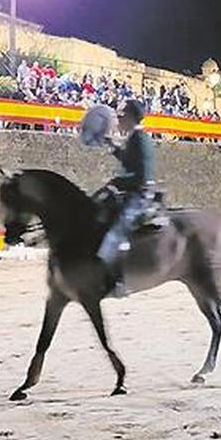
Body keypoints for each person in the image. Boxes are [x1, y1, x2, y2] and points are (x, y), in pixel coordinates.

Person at [96, 98, 158, 296]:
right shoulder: (134, 138)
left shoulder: (140, 139)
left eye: (121, 115)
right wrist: (113, 147)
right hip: (132, 192)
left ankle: (119, 281)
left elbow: (140, 175)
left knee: (116, 232)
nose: (118, 119)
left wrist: (116, 181)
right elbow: (129, 161)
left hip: (139, 195)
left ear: (131, 116)